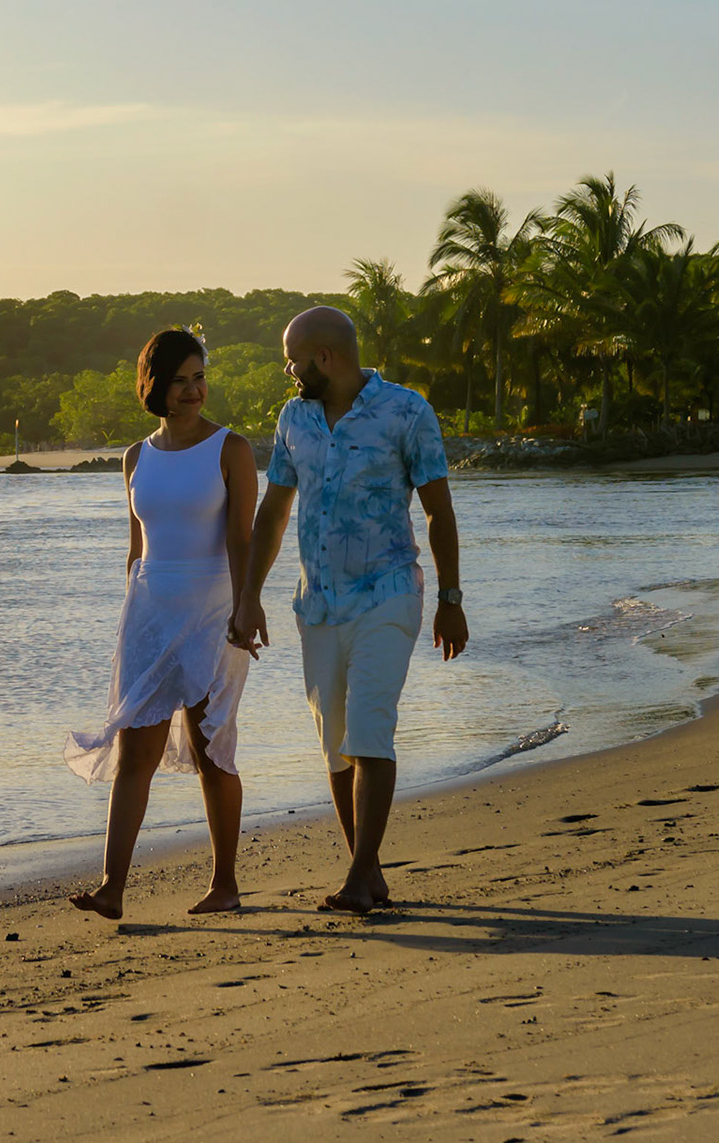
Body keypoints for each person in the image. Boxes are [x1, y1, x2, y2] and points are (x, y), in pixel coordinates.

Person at [229, 306, 468, 914]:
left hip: (388, 593)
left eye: (293, 358)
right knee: (335, 745)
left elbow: (438, 510)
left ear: (324, 357)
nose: (289, 369)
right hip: (318, 604)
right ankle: (372, 870)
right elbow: (275, 512)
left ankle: (359, 879)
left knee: (368, 729)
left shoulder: (406, 410)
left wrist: (450, 599)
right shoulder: (293, 418)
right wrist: (249, 595)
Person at [64, 327, 258, 920]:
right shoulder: (135, 457)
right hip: (149, 615)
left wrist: (249, 607)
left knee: (210, 751)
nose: (194, 390)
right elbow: (136, 550)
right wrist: (130, 619)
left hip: (211, 613)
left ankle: (225, 883)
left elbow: (243, 538)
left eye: (199, 378)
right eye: (180, 380)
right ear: (155, 386)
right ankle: (112, 888)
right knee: (134, 754)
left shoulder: (231, 449)